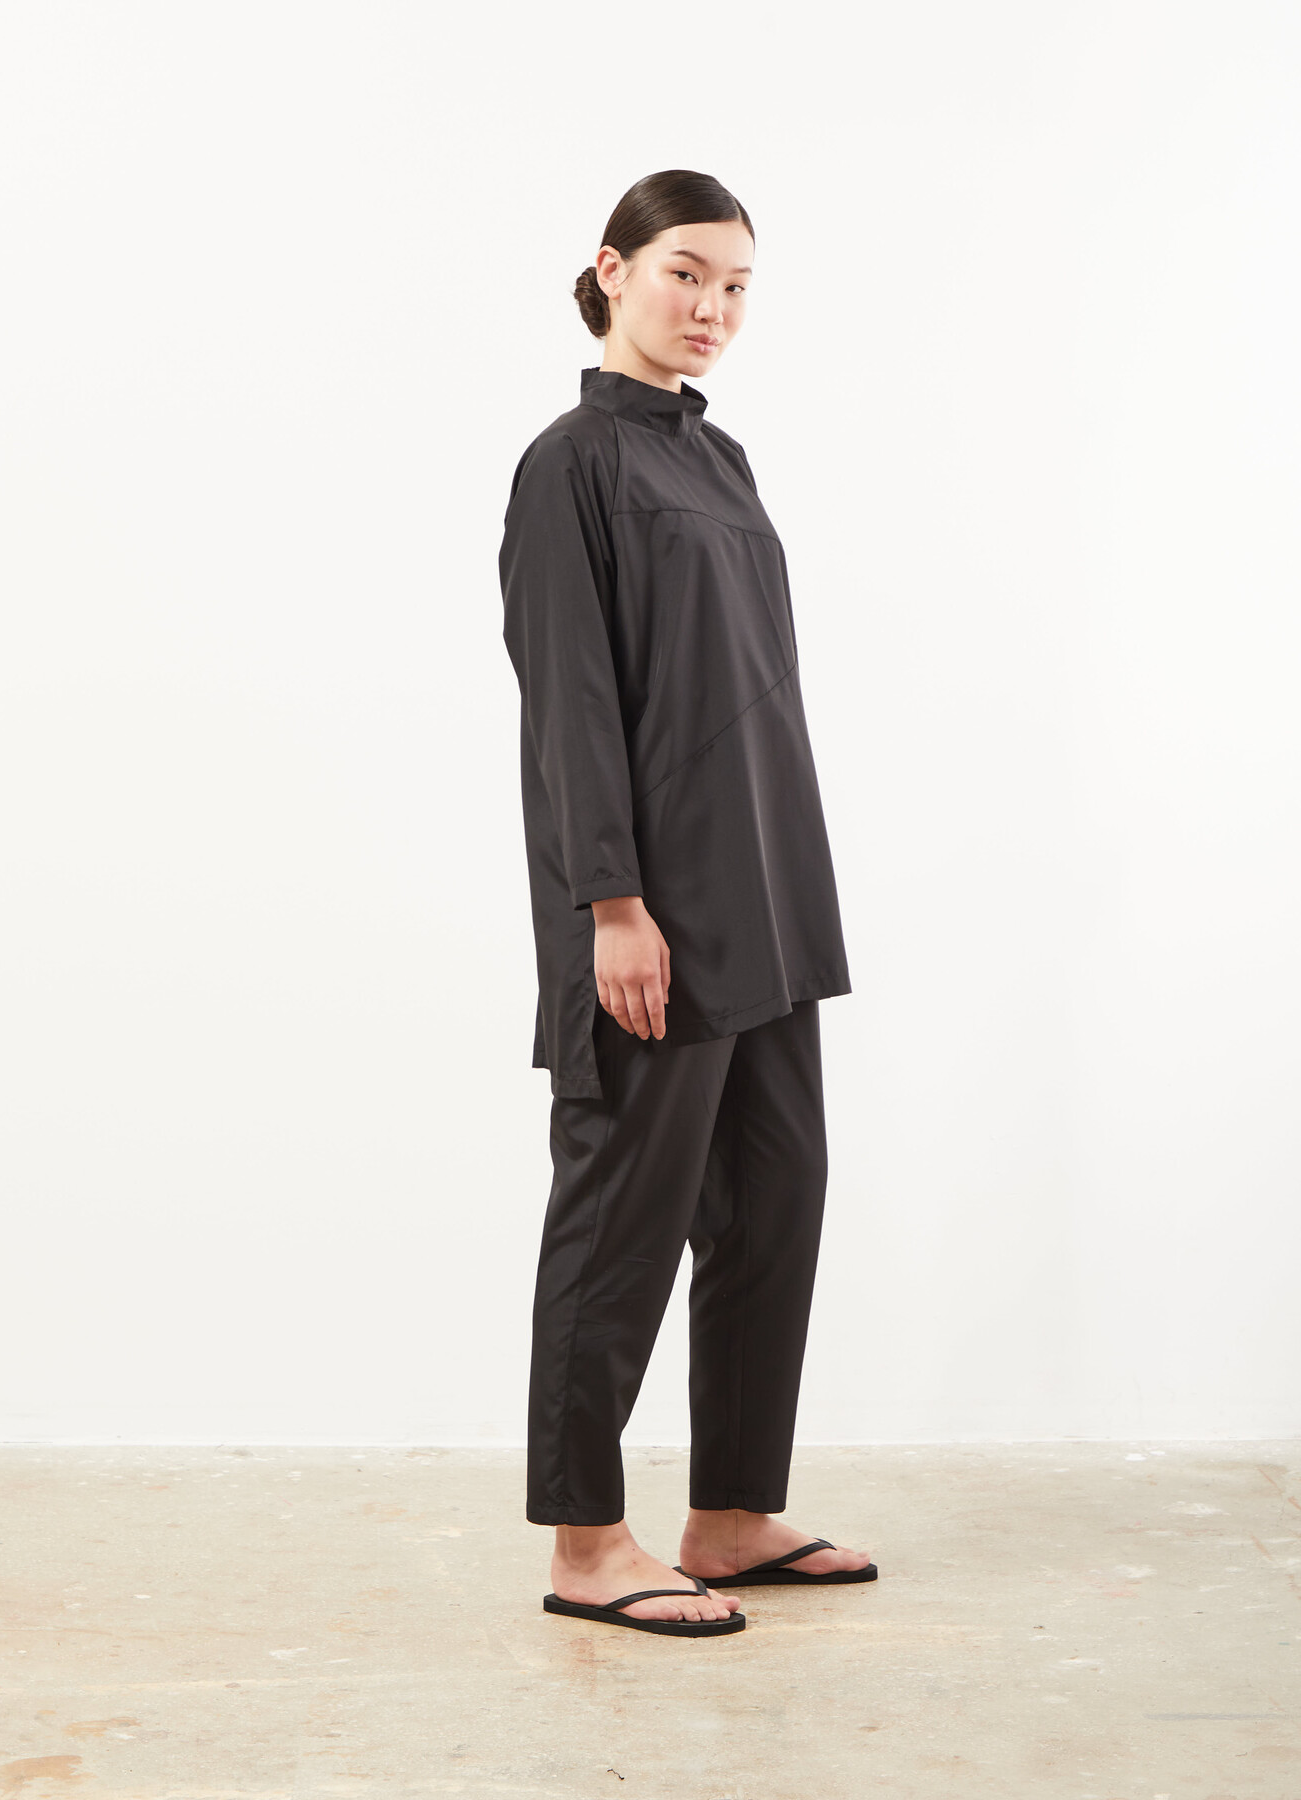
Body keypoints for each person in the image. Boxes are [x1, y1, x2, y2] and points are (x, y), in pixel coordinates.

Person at [497, 170, 876, 1639]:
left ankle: (730, 1513)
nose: (712, 308)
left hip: (767, 893)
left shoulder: (721, 460)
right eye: (685, 275)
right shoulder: (568, 466)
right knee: (622, 1217)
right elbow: (571, 704)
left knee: (776, 1199)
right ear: (612, 271)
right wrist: (611, 902)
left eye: (736, 287)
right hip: (649, 908)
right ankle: (587, 1541)